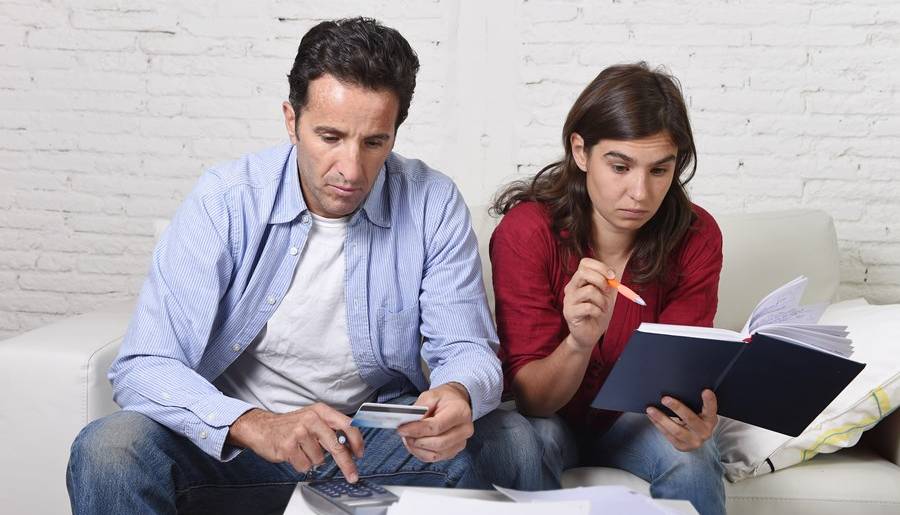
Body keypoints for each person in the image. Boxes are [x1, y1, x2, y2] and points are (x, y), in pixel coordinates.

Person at [67, 17, 541, 515]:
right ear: (291, 121)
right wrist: (254, 424)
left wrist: (457, 392)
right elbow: (144, 364)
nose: (351, 170)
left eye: (374, 142)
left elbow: (467, 348)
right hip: (239, 448)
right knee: (110, 449)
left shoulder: (431, 203)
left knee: (510, 440)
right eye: (330, 136)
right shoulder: (226, 200)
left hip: (369, 443)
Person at [489, 62, 726, 514]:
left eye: (660, 170)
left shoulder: (696, 236)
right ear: (581, 151)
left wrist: (693, 419)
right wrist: (578, 343)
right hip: (547, 418)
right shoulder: (527, 232)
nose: (640, 192)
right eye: (620, 167)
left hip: (636, 421)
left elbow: (679, 379)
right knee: (527, 440)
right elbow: (533, 402)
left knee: (691, 455)